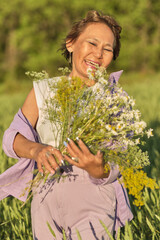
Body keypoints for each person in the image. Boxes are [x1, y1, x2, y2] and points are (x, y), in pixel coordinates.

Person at [0, 10, 133, 240]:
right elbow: (11, 138)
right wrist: (36, 150)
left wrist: (96, 168)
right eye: (92, 43)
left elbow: (120, 159)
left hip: (93, 196)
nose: (98, 53)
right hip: (45, 196)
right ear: (71, 44)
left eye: (108, 49)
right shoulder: (44, 90)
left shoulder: (115, 99)